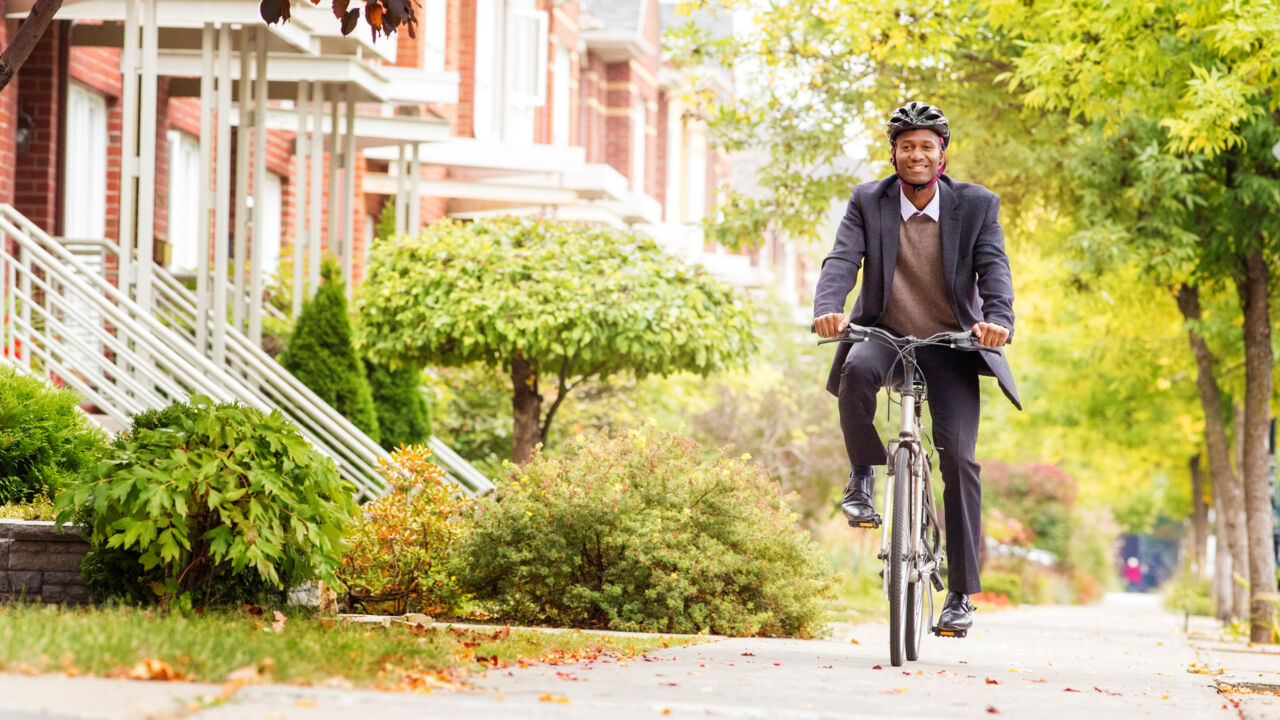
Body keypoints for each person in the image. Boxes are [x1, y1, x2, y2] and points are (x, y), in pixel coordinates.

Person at [812, 101, 1021, 635]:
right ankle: (863, 475)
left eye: (927, 145)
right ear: (894, 155)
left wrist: (997, 322)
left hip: (950, 345)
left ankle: (958, 596)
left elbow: (993, 268)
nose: (917, 154)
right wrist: (827, 309)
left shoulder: (976, 206)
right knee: (856, 371)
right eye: (907, 146)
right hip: (885, 332)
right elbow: (842, 259)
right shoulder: (868, 200)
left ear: (942, 155)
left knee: (960, 462)